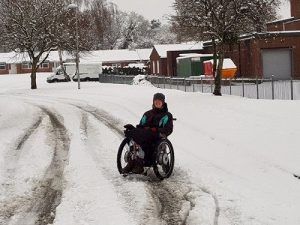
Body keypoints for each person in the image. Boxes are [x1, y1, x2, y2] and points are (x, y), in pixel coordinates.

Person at [123, 93, 173, 174]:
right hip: (146, 134)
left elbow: (168, 129)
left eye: (159, 101)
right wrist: (133, 129)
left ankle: (139, 164)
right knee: (131, 133)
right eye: (156, 101)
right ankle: (132, 162)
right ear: (153, 102)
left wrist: (156, 129)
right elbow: (141, 126)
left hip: (158, 135)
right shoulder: (147, 114)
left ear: (163, 102)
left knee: (142, 135)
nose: (157, 103)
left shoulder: (167, 115)